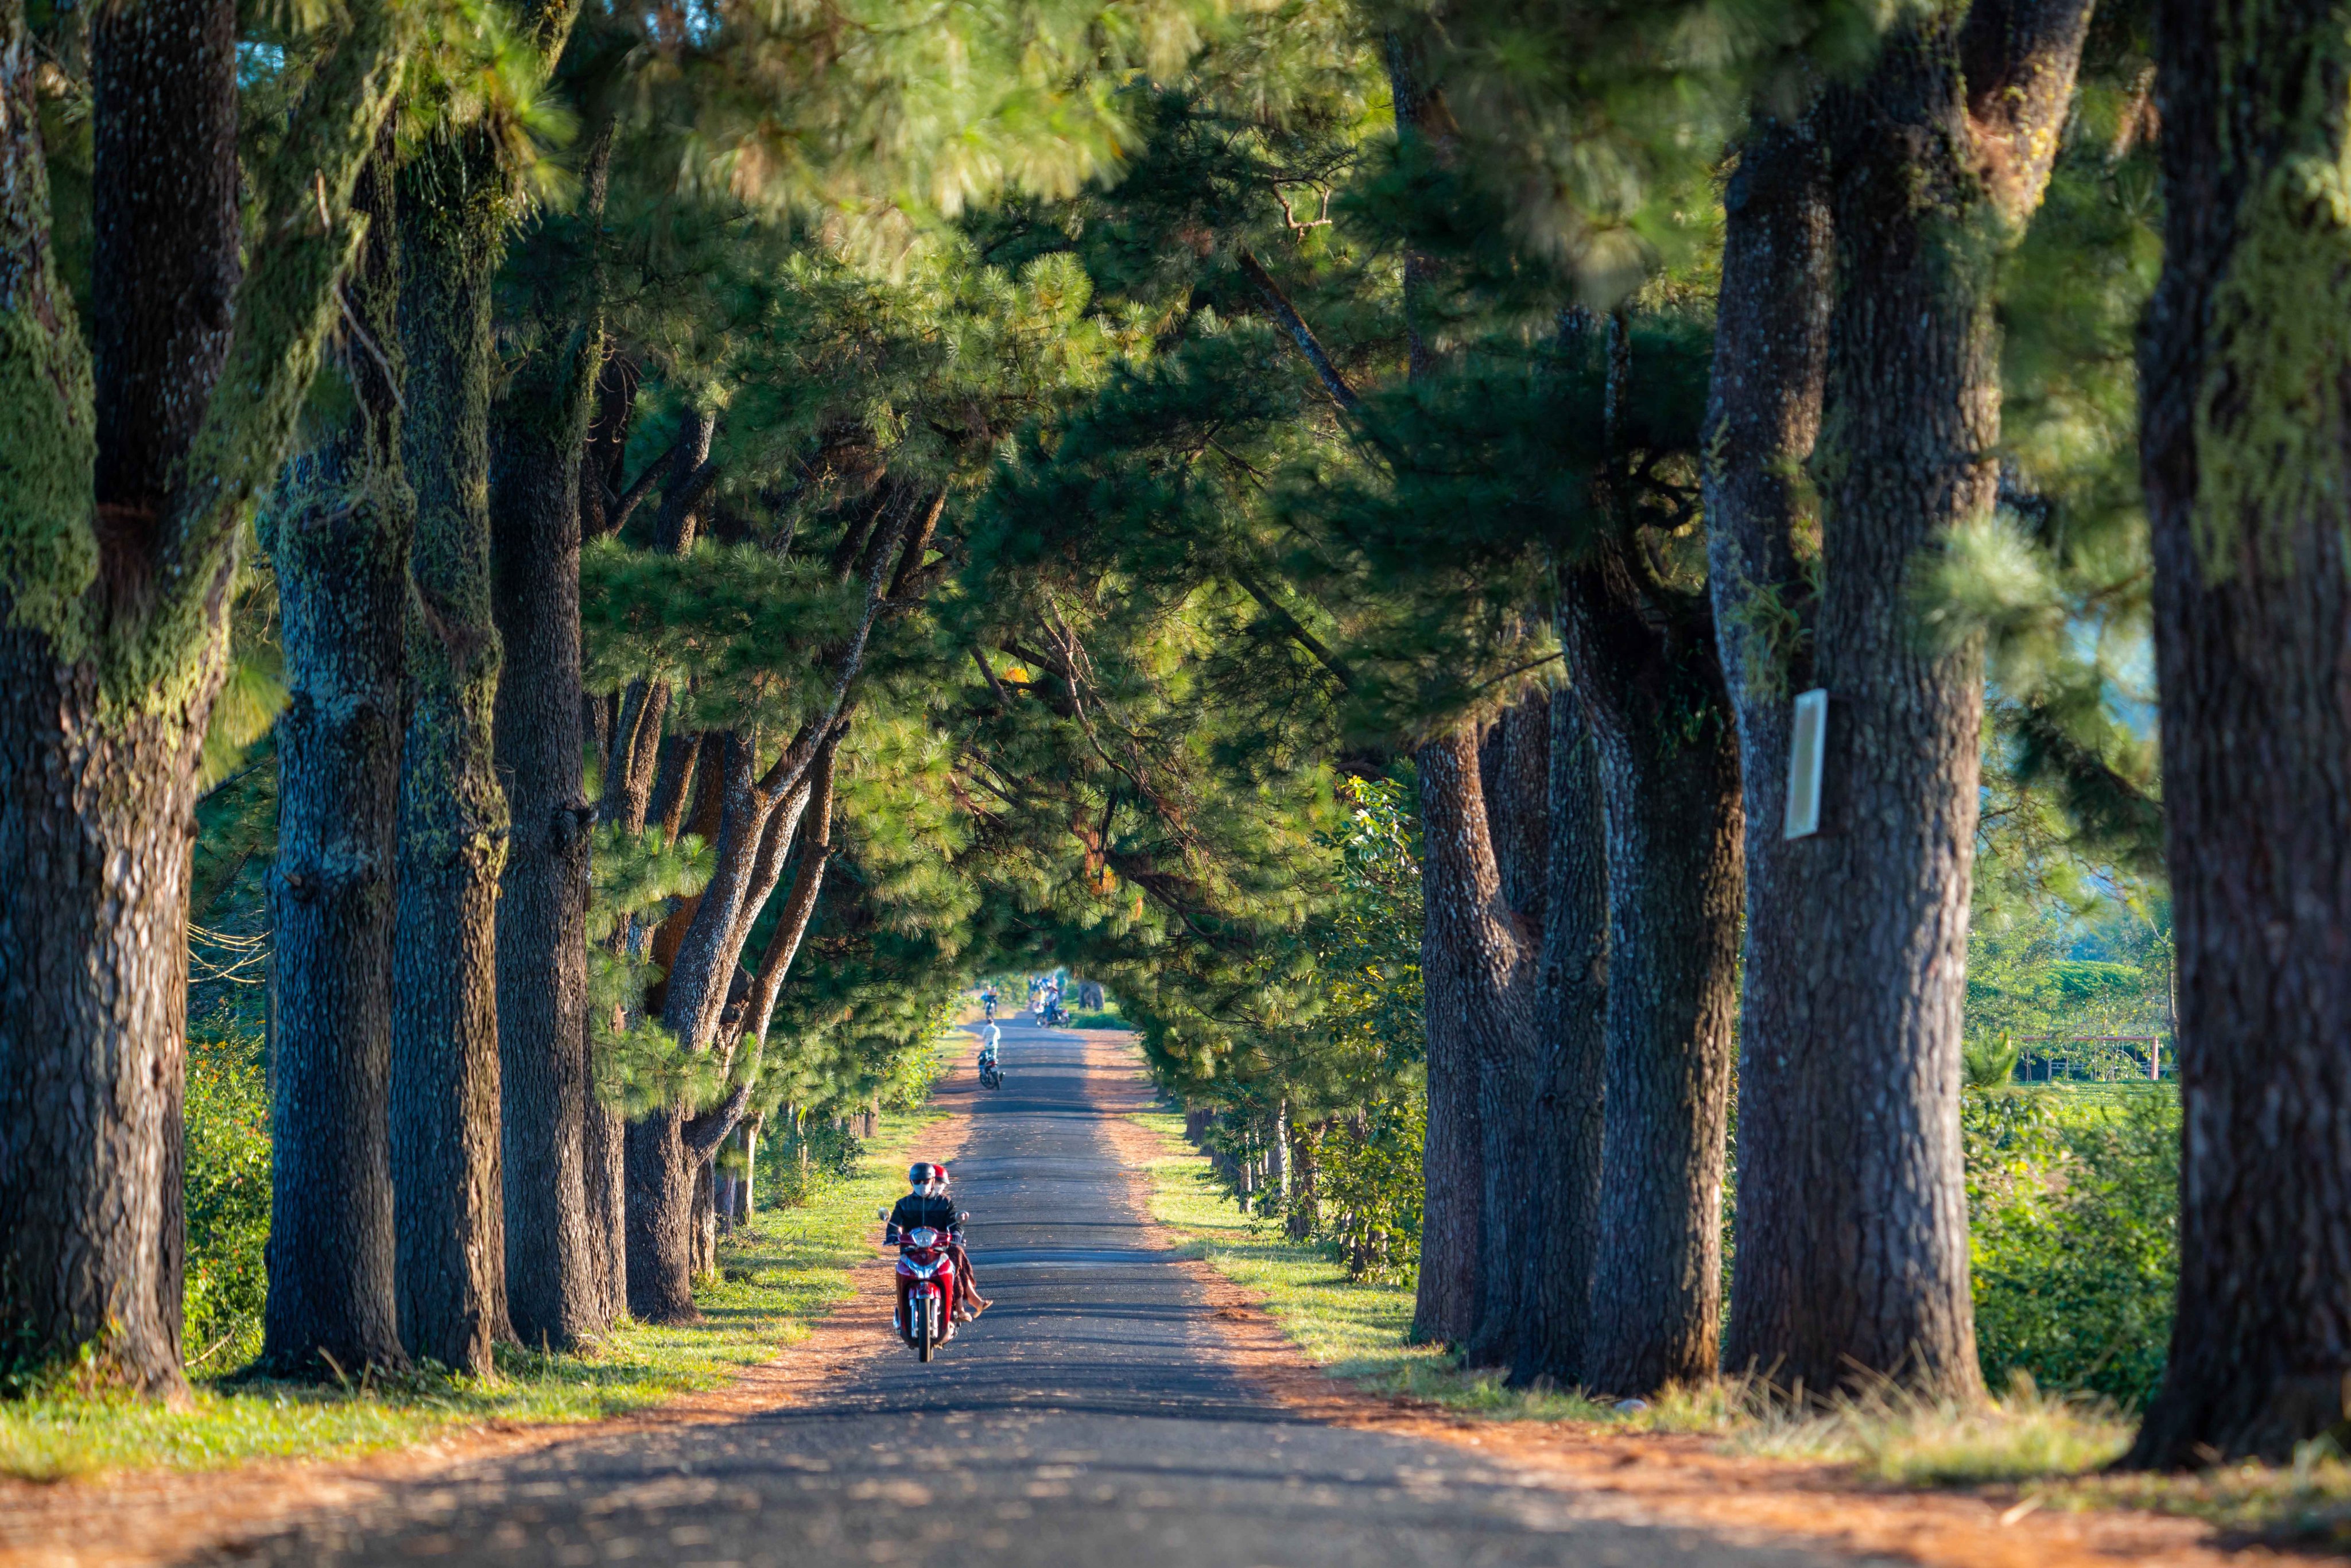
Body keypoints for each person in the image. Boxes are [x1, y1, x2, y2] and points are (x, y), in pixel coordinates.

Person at [886, 1162, 989, 1323]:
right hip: (911, 1251)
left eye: (925, 1181)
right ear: (911, 1182)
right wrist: (892, 1236)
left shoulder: (945, 1203)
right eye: (917, 1182)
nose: (922, 1185)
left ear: (933, 1181)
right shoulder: (903, 1204)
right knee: (901, 1272)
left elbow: (955, 1225)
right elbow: (893, 1225)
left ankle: (957, 1308)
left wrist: (955, 1235)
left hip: (939, 1251)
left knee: (954, 1257)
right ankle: (903, 1315)